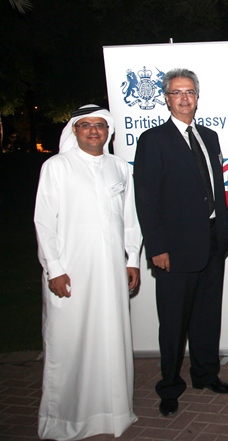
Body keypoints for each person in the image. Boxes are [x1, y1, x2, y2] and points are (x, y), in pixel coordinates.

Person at [35, 105, 141, 439]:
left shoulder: (119, 167)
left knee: (112, 340)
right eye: (86, 125)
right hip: (72, 272)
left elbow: (130, 219)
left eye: (100, 125)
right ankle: (66, 419)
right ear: (74, 130)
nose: (94, 131)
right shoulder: (56, 167)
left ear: (108, 131)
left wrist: (132, 260)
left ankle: (114, 414)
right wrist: (54, 268)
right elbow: (43, 222)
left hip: (111, 272)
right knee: (70, 342)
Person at [134, 68, 228, 417]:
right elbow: (146, 199)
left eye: (189, 92)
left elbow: (216, 189)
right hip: (175, 250)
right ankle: (169, 386)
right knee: (174, 323)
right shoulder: (153, 140)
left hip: (213, 242)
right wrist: (157, 247)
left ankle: (206, 375)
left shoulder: (209, 136)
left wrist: (224, 234)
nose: (184, 98)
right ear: (166, 99)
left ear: (197, 97)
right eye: (177, 93)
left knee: (207, 317)